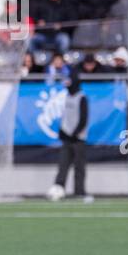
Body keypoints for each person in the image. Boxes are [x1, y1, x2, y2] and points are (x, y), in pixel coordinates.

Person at [50, 69, 90, 200]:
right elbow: (65, 117)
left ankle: (79, 191)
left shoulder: (82, 97)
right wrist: (63, 132)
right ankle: (58, 189)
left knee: (79, 166)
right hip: (67, 138)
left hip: (78, 139)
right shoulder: (67, 97)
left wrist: (75, 133)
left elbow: (84, 119)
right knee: (63, 165)